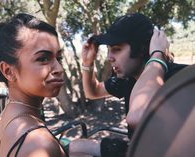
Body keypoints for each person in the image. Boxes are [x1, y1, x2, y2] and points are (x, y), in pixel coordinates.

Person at [69, 13, 187, 157]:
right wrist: (87, 63)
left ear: (142, 48)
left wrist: (157, 55)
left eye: (117, 49)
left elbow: (137, 117)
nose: (109, 58)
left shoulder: (181, 78)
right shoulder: (127, 79)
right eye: (109, 50)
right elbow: (92, 92)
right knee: (75, 147)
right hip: (137, 149)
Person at [0, 13, 68, 157]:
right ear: (9, 71)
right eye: (43, 58)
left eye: (58, 58)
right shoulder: (40, 144)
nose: (59, 69)